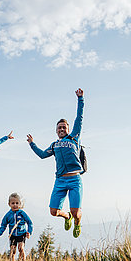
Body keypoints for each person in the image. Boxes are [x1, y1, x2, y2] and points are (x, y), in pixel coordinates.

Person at [27, 88, 84, 238]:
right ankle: (67, 217)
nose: (62, 129)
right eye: (59, 127)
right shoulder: (54, 145)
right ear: (56, 131)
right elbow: (41, 155)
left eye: (64, 127)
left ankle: (77, 222)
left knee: (76, 211)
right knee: (54, 212)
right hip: (59, 181)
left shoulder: (73, 138)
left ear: (69, 129)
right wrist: (32, 144)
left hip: (74, 179)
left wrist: (80, 99)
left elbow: (79, 118)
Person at [0, 192, 33, 261]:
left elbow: (30, 223)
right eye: (13, 203)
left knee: (21, 248)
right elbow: (3, 225)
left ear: (20, 204)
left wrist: (29, 232)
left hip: (22, 233)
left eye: (17, 203)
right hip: (12, 234)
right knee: (12, 250)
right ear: (9, 204)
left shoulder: (22, 213)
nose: (15, 205)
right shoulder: (8, 215)